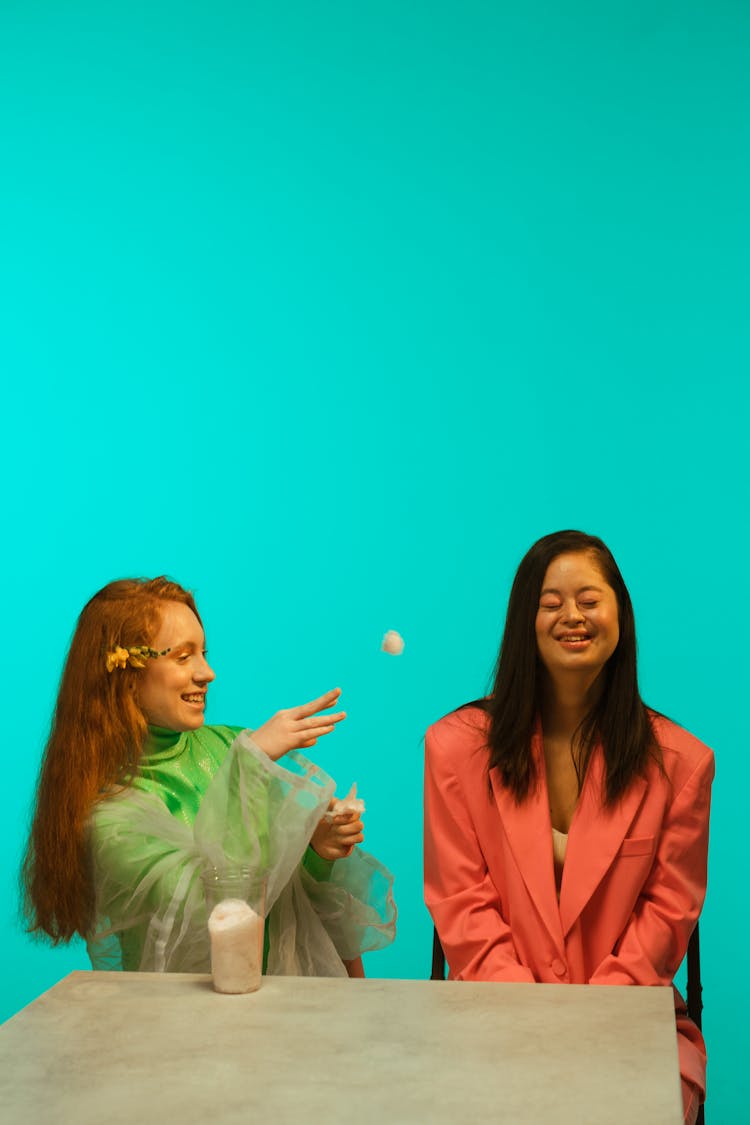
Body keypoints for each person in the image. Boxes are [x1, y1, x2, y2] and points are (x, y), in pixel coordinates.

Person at [423, 531, 712, 1124]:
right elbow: (461, 903)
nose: (571, 616)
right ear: (524, 620)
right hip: (490, 1016)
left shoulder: (682, 763)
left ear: (620, 616)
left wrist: (584, 1027)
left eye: (589, 599)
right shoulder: (453, 749)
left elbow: (667, 914)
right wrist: (534, 1023)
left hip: (630, 1024)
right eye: (550, 602)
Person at [24, 577, 396, 977]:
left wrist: (316, 848)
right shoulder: (108, 815)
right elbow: (212, 917)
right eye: (183, 657)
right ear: (125, 675)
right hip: (182, 1027)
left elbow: (283, 894)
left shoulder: (227, 746)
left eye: (203, 653)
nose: (208, 672)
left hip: (281, 1013)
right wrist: (250, 764)